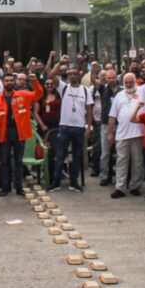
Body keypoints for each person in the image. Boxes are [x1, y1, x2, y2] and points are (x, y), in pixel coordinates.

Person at [0, 72, 44, 196]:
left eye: (11, 80)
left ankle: (19, 187)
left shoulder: (23, 95)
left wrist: (35, 81)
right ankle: (5, 187)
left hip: (19, 133)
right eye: (7, 80)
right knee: (4, 162)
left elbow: (39, 94)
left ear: (14, 82)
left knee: (19, 161)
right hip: (4, 134)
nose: (9, 82)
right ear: (3, 83)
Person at [48, 57, 94, 192]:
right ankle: (55, 183)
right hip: (65, 127)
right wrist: (60, 63)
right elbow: (51, 75)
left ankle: (74, 182)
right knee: (60, 156)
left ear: (79, 74)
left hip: (79, 128)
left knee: (77, 156)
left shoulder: (85, 91)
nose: (73, 75)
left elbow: (89, 109)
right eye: (70, 74)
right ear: (68, 75)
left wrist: (89, 126)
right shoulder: (64, 87)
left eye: (75, 73)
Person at [107, 73, 144, 199]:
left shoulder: (142, 91)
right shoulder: (118, 96)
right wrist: (110, 133)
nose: (128, 84)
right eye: (126, 82)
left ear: (135, 81)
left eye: (130, 82)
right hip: (122, 134)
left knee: (137, 162)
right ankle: (120, 187)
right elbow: (112, 116)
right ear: (123, 82)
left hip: (138, 133)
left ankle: (135, 186)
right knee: (121, 161)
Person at [96, 69, 119, 186]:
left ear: (116, 77)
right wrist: (94, 70)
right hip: (105, 124)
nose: (111, 80)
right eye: (108, 78)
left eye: (113, 77)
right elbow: (93, 81)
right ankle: (105, 176)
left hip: (119, 125)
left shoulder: (122, 90)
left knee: (120, 153)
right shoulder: (103, 89)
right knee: (105, 152)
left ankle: (120, 177)